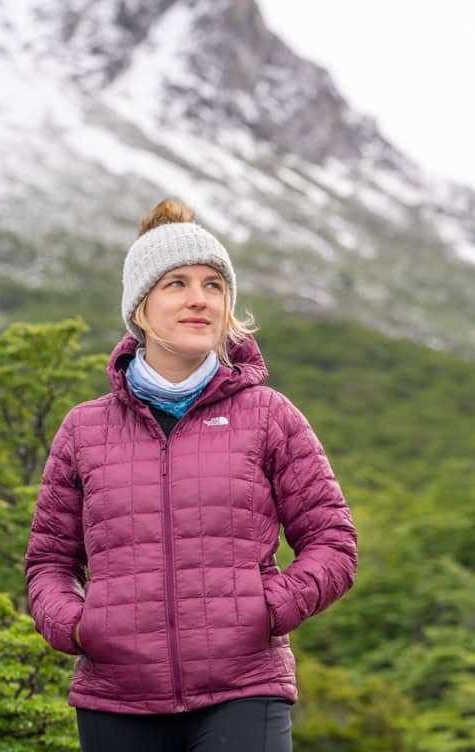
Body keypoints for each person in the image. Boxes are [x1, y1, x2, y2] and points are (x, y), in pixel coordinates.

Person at [25, 199, 358, 752]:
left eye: (213, 285)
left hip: (244, 689)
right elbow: (48, 563)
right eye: (176, 284)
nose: (198, 299)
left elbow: (334, 541)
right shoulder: (84, 430)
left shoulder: (269, 414)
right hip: (115, 698)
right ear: (139, 308)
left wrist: (269, 609)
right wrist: (80, 627)